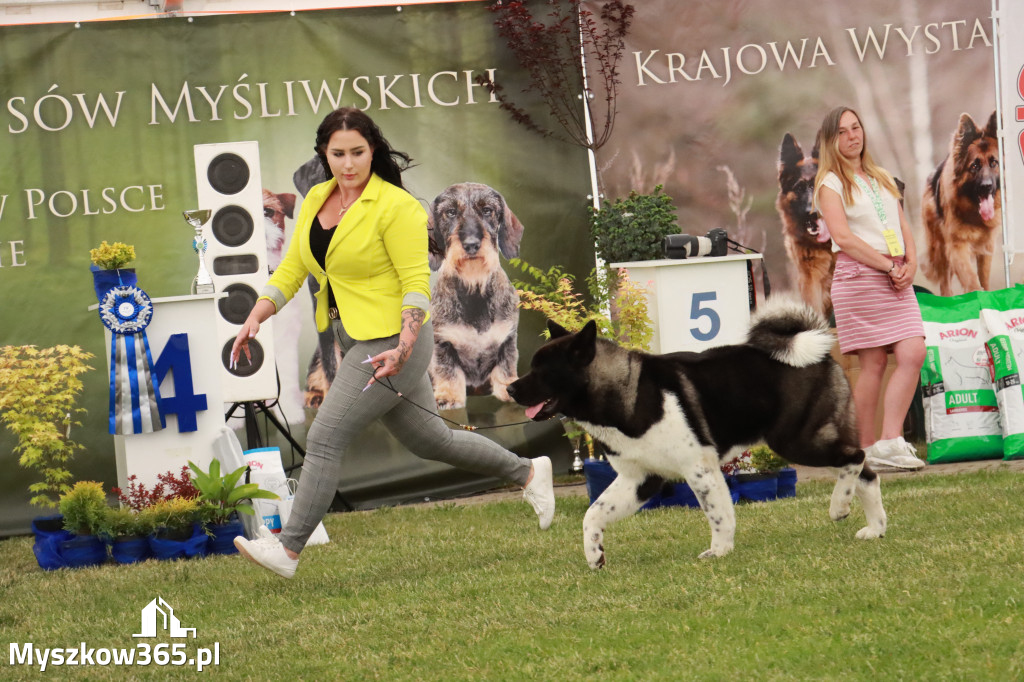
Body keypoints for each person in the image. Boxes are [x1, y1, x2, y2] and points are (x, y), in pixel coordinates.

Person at [231, 107, 555, 578]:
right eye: (337, 153)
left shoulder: (397, 207)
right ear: (323, 153)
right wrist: (256, 317)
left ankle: (289, 550)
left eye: (357, 153)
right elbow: (293, 268)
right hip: (355, 335)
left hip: (391, 343)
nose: (347, 164)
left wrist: (403, 348)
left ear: (374, 151)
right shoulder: (317, 198)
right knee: (433, 440)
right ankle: (529, 472)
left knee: (323, 438)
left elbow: (415, 284)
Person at [814, 105, 926, 471]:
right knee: (873, 362)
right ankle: (867, 447)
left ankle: (891, 440)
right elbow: (844, 238)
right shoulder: (830, 183)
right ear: (831, 141)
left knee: (912, 352)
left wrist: (910, 263)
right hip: (860, 277)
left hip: (895, 274)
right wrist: (887, 265)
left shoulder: (881, 176)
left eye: (856, 128)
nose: (852, 136)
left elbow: (901, 223)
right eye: (843, 132)